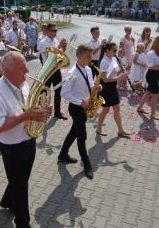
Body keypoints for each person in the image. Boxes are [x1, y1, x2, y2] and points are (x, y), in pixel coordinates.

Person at [0, 51, 49, 228]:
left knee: (20, 179)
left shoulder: (23, 84)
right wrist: (25, 116)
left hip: (29, 140)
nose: (27, 71)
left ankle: (7, 201)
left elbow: (28, 108)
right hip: (12, 147)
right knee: (21, 187)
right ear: (7, 71)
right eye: (22, 68)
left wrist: (42, 111)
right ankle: (23, 222)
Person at [59, 45, 101, 179]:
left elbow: (90, 84)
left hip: (86, 106)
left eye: (91, 56)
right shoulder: (71, 73)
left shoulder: (88, 69)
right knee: (82, 136)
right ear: (79, 56)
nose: (91, 59)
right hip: (76, 108)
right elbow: (64, 93)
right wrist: (80, 102)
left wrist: (96, 87)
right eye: (88, 57)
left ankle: (63, 154)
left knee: (74, 132)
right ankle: (87, 165)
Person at [96, 42, 131, 137]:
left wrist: (125, 70)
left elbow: (118, 71)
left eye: (116, 50)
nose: (116, 52)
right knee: (106, 109)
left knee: (117, 108)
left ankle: (120, 130)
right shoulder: (104, 62)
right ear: (107, 50)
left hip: (112, 87)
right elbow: (105, 79)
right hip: (106, 88)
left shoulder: (113, 59)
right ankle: (99, 128)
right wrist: (119, 77)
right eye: (114, 50)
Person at [38, 23, 67, 120]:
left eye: (56, 30)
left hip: (56, 69)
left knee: (58, 91)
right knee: (45, 92)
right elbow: (51, 55)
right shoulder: (43, 42)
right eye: (53, 30)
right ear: (47, 31)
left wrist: (64, 47)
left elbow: (60, 54)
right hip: (47, 70)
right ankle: (41, 112)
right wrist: (59, 45)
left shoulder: (55, 40)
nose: (55, 33)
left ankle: (57, 112)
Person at [137, 36, 159, 120]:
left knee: (148, 93)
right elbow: (150, 66)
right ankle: (153, 114)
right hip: (152, 75)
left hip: (157, 74)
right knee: (155, 95)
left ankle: (139, 107)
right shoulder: (152, 53)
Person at [119, 25, 135, 90]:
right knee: (123, 70)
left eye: (130, 30)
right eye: (128, 30)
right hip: (124, 56)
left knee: (128, 70)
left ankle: (125, 83)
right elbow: (120, 47)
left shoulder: (131, 37)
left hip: (130, 55)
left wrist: (133, 41)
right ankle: (121, 84)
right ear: (125, 31)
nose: (129, 32)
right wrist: (121, 55)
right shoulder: (123, 38)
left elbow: (132, 46)